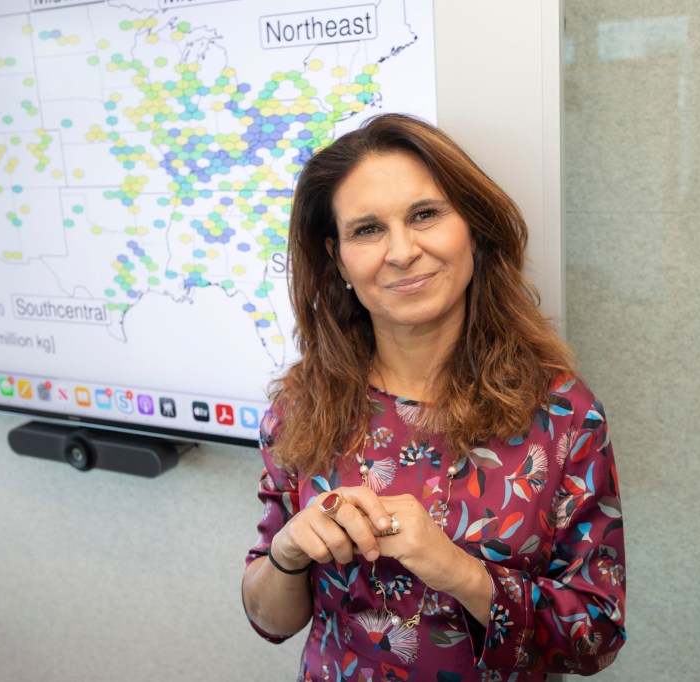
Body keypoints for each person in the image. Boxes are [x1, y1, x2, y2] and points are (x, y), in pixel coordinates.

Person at [241, 113, 626, 680]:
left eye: (424, 215)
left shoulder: (563, 415)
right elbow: (269, 619)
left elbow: (596, 639)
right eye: (367, 230)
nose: (401, 251)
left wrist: (457, 570)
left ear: (472, 227)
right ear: (338, 258)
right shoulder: (302, 403)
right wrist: (289, 553)